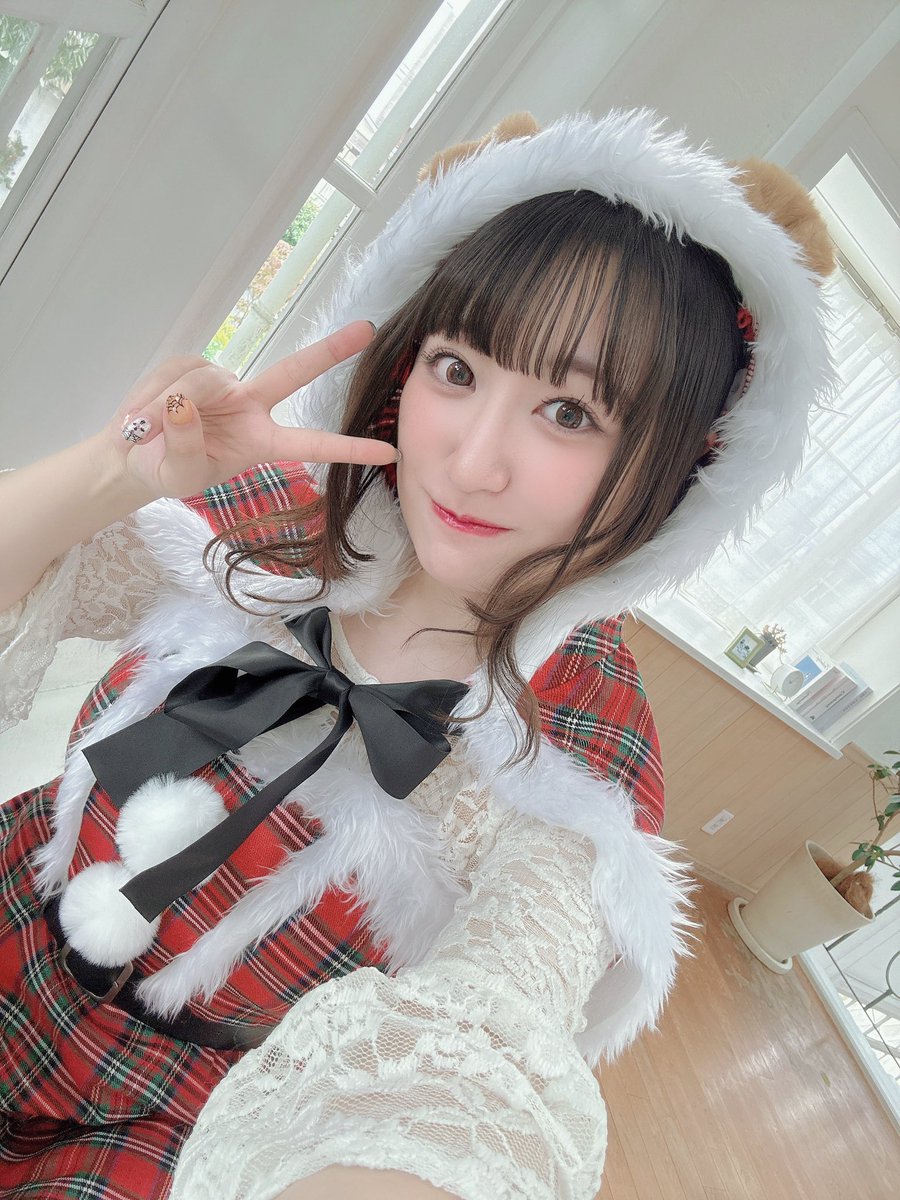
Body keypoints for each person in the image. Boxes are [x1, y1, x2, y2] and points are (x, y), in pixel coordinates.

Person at [0, 108, 834, 1200]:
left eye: (570, 412)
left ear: (682, 469)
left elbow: (487, 1043)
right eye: (456, 368)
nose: (473, 460)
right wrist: (121, 472)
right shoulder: (284, 525)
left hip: (181, 1117)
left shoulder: (578, 754)